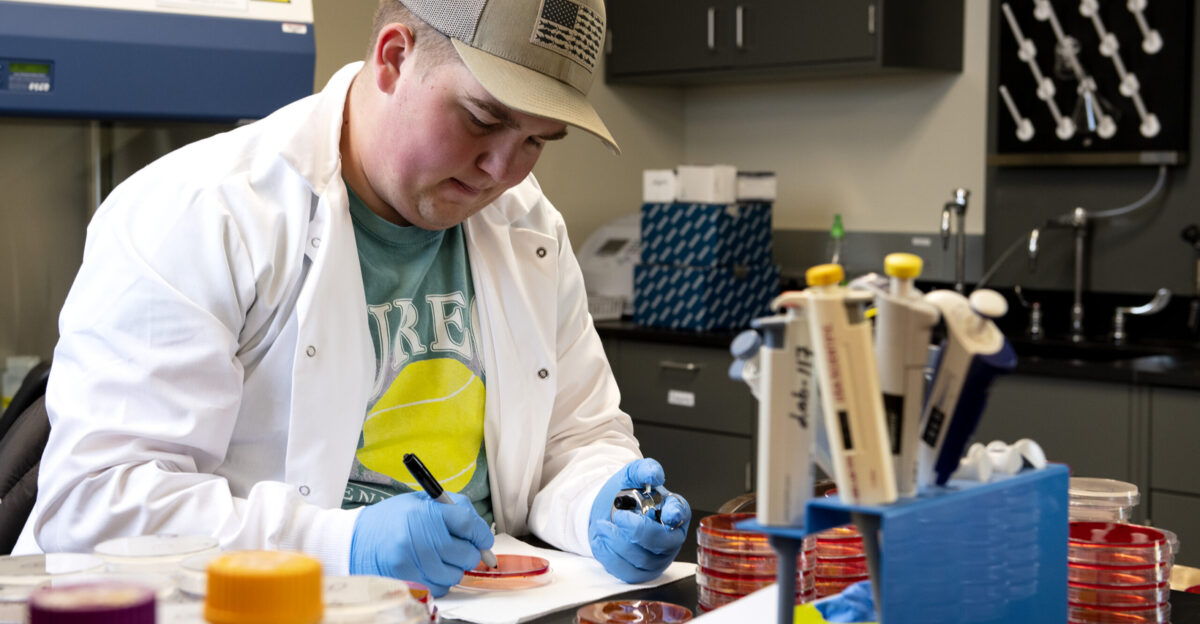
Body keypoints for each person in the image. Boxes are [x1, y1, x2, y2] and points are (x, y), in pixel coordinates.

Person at [14, 0, 691, 596]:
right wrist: (344, 548)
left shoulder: (527, 227)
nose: (502, 172)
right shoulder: (201, 212)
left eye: (537, 142)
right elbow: (97, 508)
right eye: (484, 120)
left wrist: (607, 498)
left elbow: (574, 436)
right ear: (393, 58)